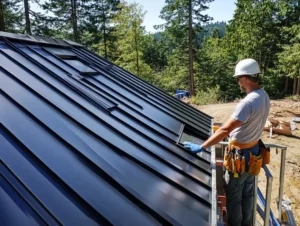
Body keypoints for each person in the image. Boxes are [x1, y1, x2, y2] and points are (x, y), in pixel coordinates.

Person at [183, 58, 270, 226]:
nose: (238, 82)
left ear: (245, 79)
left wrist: (202, 146)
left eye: (238, 79)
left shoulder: (248, 102)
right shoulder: (264, 95)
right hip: (253, 154)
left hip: (241, 157)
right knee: (248, 194)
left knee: (234, 197)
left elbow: (225, 130)